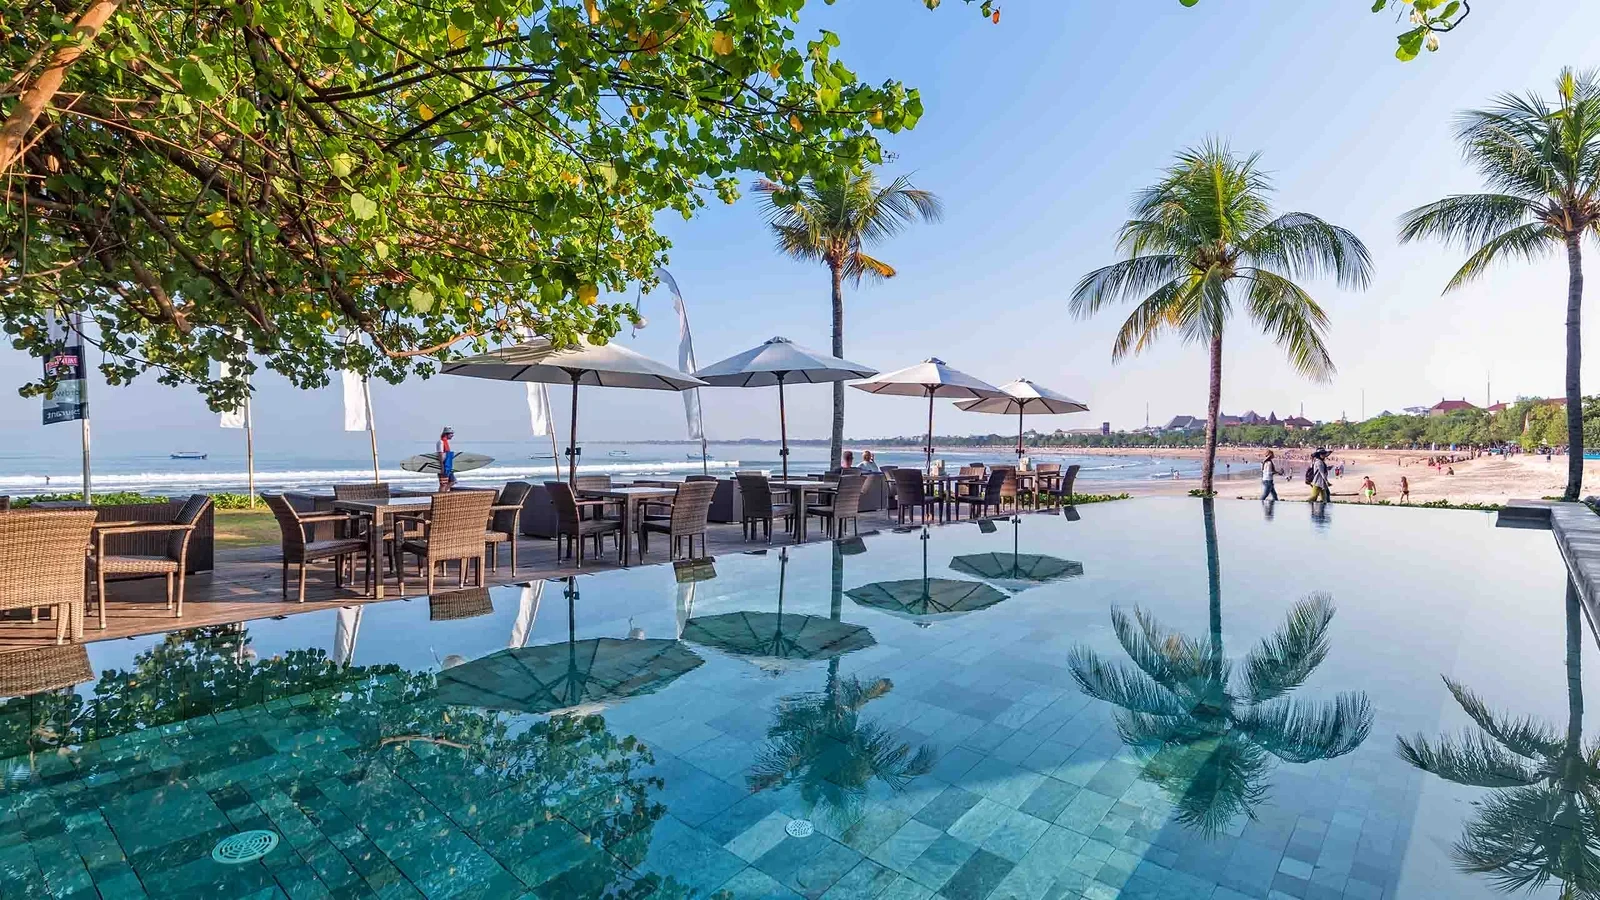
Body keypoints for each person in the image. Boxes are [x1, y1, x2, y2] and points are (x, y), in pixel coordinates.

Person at [436, 426, 457, 491]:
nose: (452, 435)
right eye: (451, 434)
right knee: (443, 484)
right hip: (443, 466)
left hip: (448, 467)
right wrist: (442, 467)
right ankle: (441, 495)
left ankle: (444, 493)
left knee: (453, 481)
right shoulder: (441, 442)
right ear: (446, 434)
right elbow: (440, 455)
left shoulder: (445, 442)